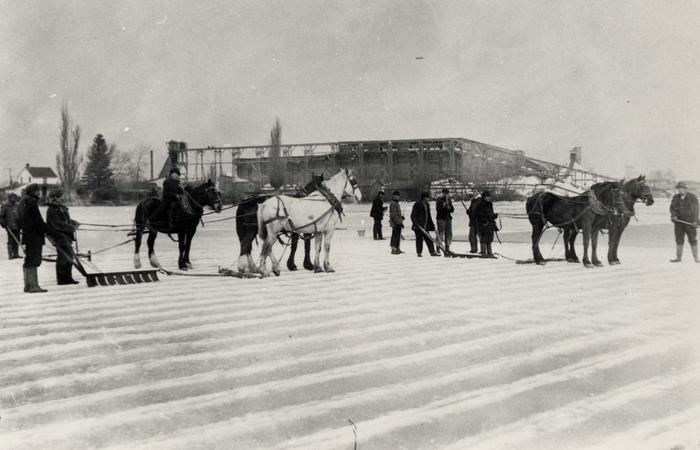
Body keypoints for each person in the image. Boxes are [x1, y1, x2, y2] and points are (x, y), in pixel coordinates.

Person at [18, 183, 54, 293]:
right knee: (34, 260)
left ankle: (28, 285)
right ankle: (34, 286)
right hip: (35, 236)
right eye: (37, 190)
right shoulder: (31, 203)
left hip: (28, 235)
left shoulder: (23, 202)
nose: (39, 192)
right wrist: (51, 232)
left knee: (28, 260)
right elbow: (38, 221)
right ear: (33, 192)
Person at [46, 188, 80, 284]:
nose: (63, 198)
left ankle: (68, 278)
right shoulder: (51, 210)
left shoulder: (61, 208)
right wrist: (71, 227)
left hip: (66, 236)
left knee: (69, 257)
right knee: (63, 258)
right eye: (61, 197)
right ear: (55, 198)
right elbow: (56, 223)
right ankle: (61, 279)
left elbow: (65, 220)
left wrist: (73, 222)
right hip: (59, 237)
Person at [670, 181, 699, 263]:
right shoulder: (675, 197)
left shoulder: (692, 197)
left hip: (690, 222)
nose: (680, 190)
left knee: (692, 239)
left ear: (686, 189)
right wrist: (674, 216)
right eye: (679, 189)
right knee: (679, 239)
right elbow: (672, 208)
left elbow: (696, 210)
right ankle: (678, 257)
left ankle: (696, 258)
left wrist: (695, 221)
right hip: (678, 222)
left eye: (682, 188)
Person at [410, 191, 438, 257]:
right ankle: (419, 252)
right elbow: (413, 216)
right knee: (419, 239)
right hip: (419, 226)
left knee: (429, 239)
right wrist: (416, 224)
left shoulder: (427, 205)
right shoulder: (417, 205)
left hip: (425, 226)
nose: (429, 199)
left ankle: (432, 252)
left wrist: (432, 225)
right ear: (424, 198)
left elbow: (429, 216)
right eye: (428, 197)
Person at [474, 190, 498, 258]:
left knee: (490, 238)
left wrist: (494, 216)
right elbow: (478, 214)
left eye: (489, 196)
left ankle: (490, 253)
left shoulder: (490, 204)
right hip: (483, 224)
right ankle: (484, 253)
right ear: (484, 197)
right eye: (487, 196)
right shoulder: (479, 205)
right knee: (484, 238)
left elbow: (491, 213)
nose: (488, 198)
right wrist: (488, 216)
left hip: (490, 223)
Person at [0, 193, 21, 259]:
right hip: (9, 226)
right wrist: (3, 223)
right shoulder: (5, 206)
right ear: (9, 198)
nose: (14, 199)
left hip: (17, 225)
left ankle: (16, 254)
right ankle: (10, 254)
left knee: (17, 239)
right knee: (11, 240)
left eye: (15, 198)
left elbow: (20, 214)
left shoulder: (17, 205)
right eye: (12, 198)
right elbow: (1, 216)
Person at [435, 188, 454, 255]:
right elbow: (438, 209)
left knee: (448, 234)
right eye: (444, 193)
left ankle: (447, 247)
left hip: (448, 218)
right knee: (440, 234)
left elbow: (452, 209)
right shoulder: (439, 200)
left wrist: (449, 207)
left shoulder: (449, 200)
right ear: (442, 193)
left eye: (447, 193)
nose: (446, 194)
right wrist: (443, 205)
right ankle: (438, 247)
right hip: (441, 218)